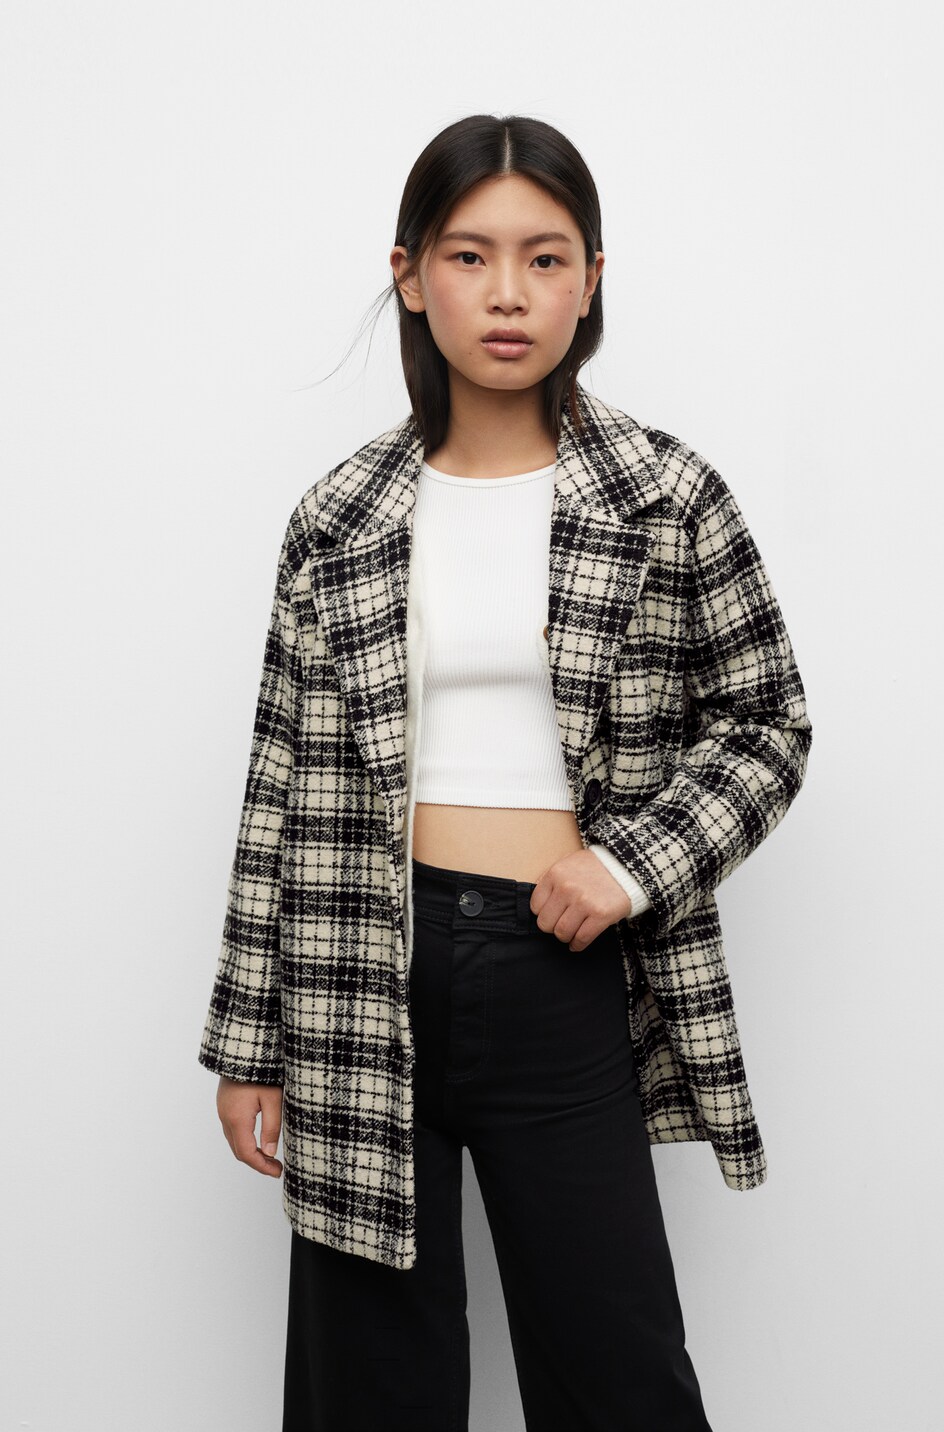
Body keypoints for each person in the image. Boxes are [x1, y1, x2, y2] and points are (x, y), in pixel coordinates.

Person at [198, 113, 812, 1432]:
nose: (509, 293)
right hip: (363, 962)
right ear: (412, 275)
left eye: (545, 257)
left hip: (561, 963)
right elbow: (279, 781)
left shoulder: (666, 494)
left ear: (592, 278)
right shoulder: (341, 513)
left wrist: (628, 868)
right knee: (368, 1380)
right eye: (470, 256)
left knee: (615, 1367)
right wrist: (250, 1040)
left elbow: (768, 723)